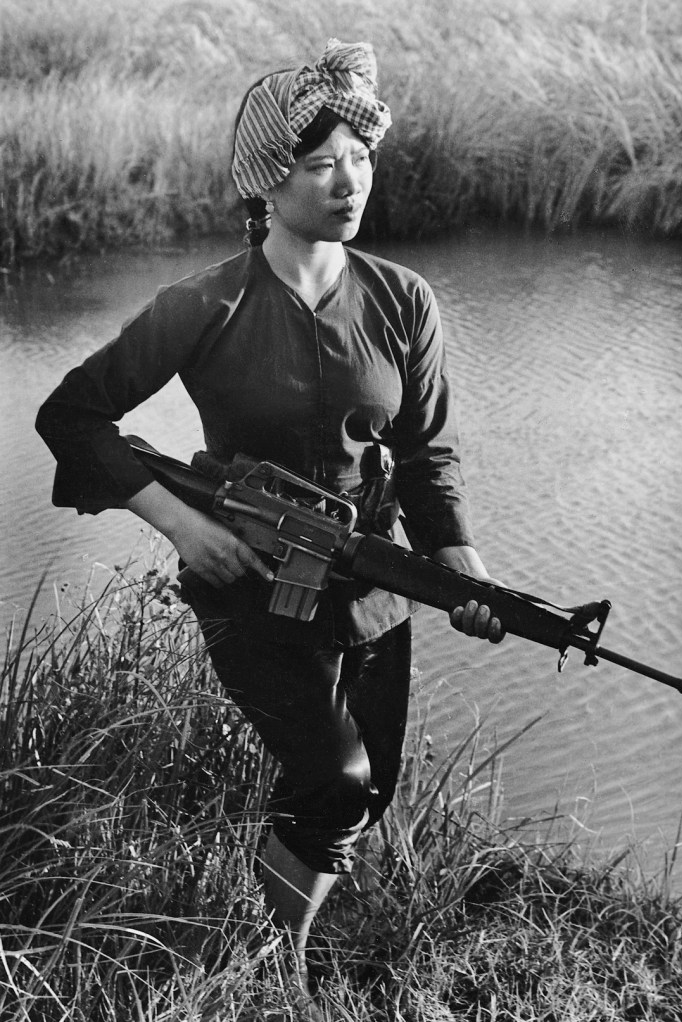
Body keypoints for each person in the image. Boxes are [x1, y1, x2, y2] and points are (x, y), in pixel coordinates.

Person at [36, 39, 505, 1019]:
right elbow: (73, 416)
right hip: (249, 580)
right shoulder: (205, 303)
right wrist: (177, 524)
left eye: (361, 158)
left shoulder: (403, 299)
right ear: (267, 180)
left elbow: (428, 456)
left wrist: (462, 567)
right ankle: (274, 969)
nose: (349, 182)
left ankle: (271, 921)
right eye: (321, 163)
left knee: (363, 791)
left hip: (373, 585)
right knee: (335, 779)